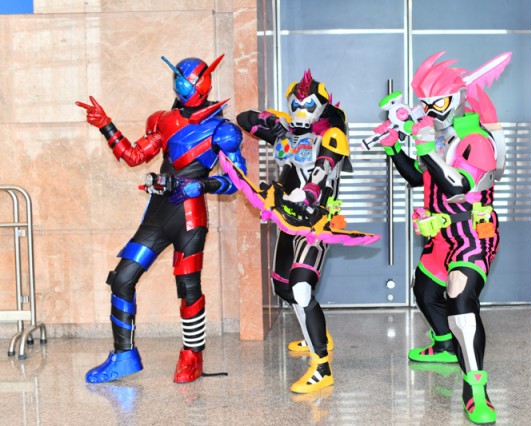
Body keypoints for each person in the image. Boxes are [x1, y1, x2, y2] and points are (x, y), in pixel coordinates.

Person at [76, 54, 246, 384]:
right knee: (122, 278)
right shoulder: (163, 121)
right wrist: (106, 125)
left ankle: (192, 355)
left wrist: (203, 185)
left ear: (203, 83)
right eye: (177, 80)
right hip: (157, 216)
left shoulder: (223, 130)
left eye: (187, 82)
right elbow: (134, 156)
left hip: (190, 218)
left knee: (188, 287)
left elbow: (237, 181)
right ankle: (123, 356)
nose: (182, 87)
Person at [373, 51, 509, 424]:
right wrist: (394, 147)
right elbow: (418, 178)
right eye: (427, 103)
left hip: (471, 233)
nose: (432, 110)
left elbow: (458, 186)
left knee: (460, 301)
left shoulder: (475, 141)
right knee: (425, 290)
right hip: (441, 235)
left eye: (440, 102)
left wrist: (424, 146)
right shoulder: (441, 139)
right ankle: (444, 345)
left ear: (459, 99)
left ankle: (476, 388)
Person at [235, 70, 351, 394]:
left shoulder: (332, 135)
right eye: (296, 104)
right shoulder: (287, 134)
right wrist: (272, 121)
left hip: (316, 223)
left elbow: (323, 168)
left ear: (321, 105)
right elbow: (244, 120)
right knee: (283, 288)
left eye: (308, 104)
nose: (301, 110)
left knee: (301, 288)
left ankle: (322, 367)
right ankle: (319, 334)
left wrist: (309, 193)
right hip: (288, 221)